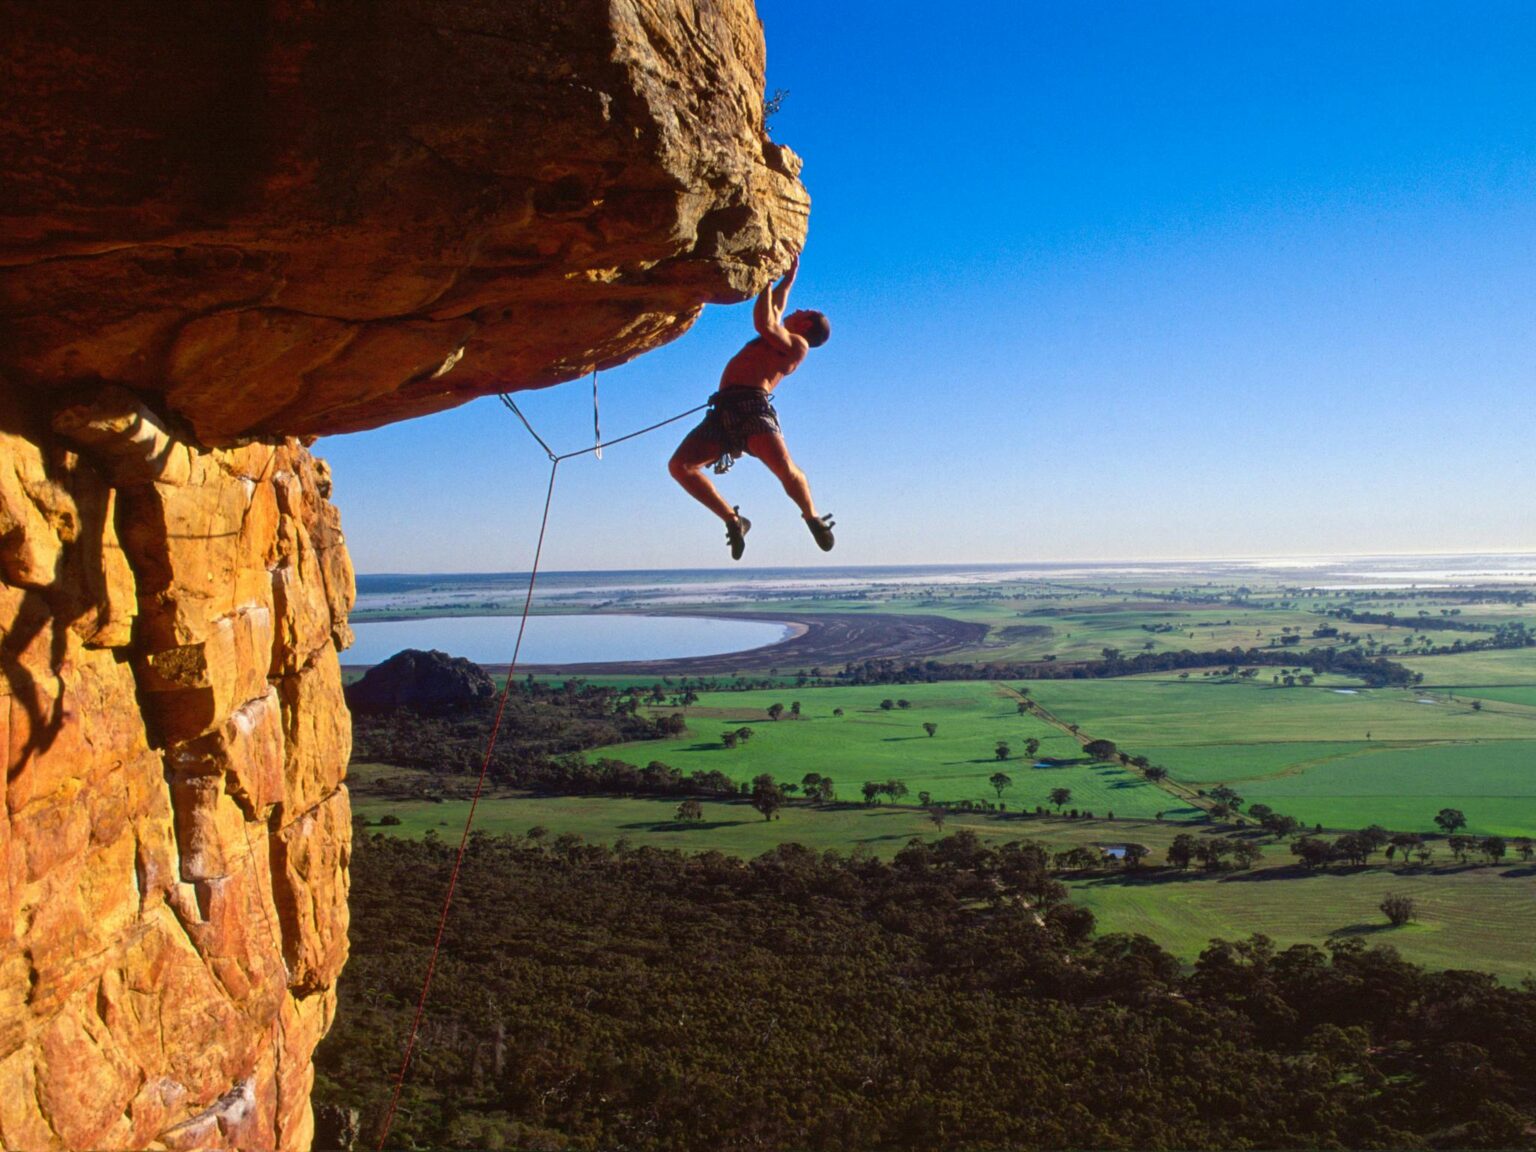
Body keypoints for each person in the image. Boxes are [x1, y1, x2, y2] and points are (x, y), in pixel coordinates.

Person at [667, 254, 833, 560]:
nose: (794, 309)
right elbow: (778, 308)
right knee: (681, 467)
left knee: (784, 469)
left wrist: (766, 278)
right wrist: (788, 279)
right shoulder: (781, 339)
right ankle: (734, 520)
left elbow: (765, 320)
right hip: (723, 411)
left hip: (753, 409)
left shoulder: (797, 345)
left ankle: (812, 516)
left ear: (806, 324)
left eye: (803, 311)